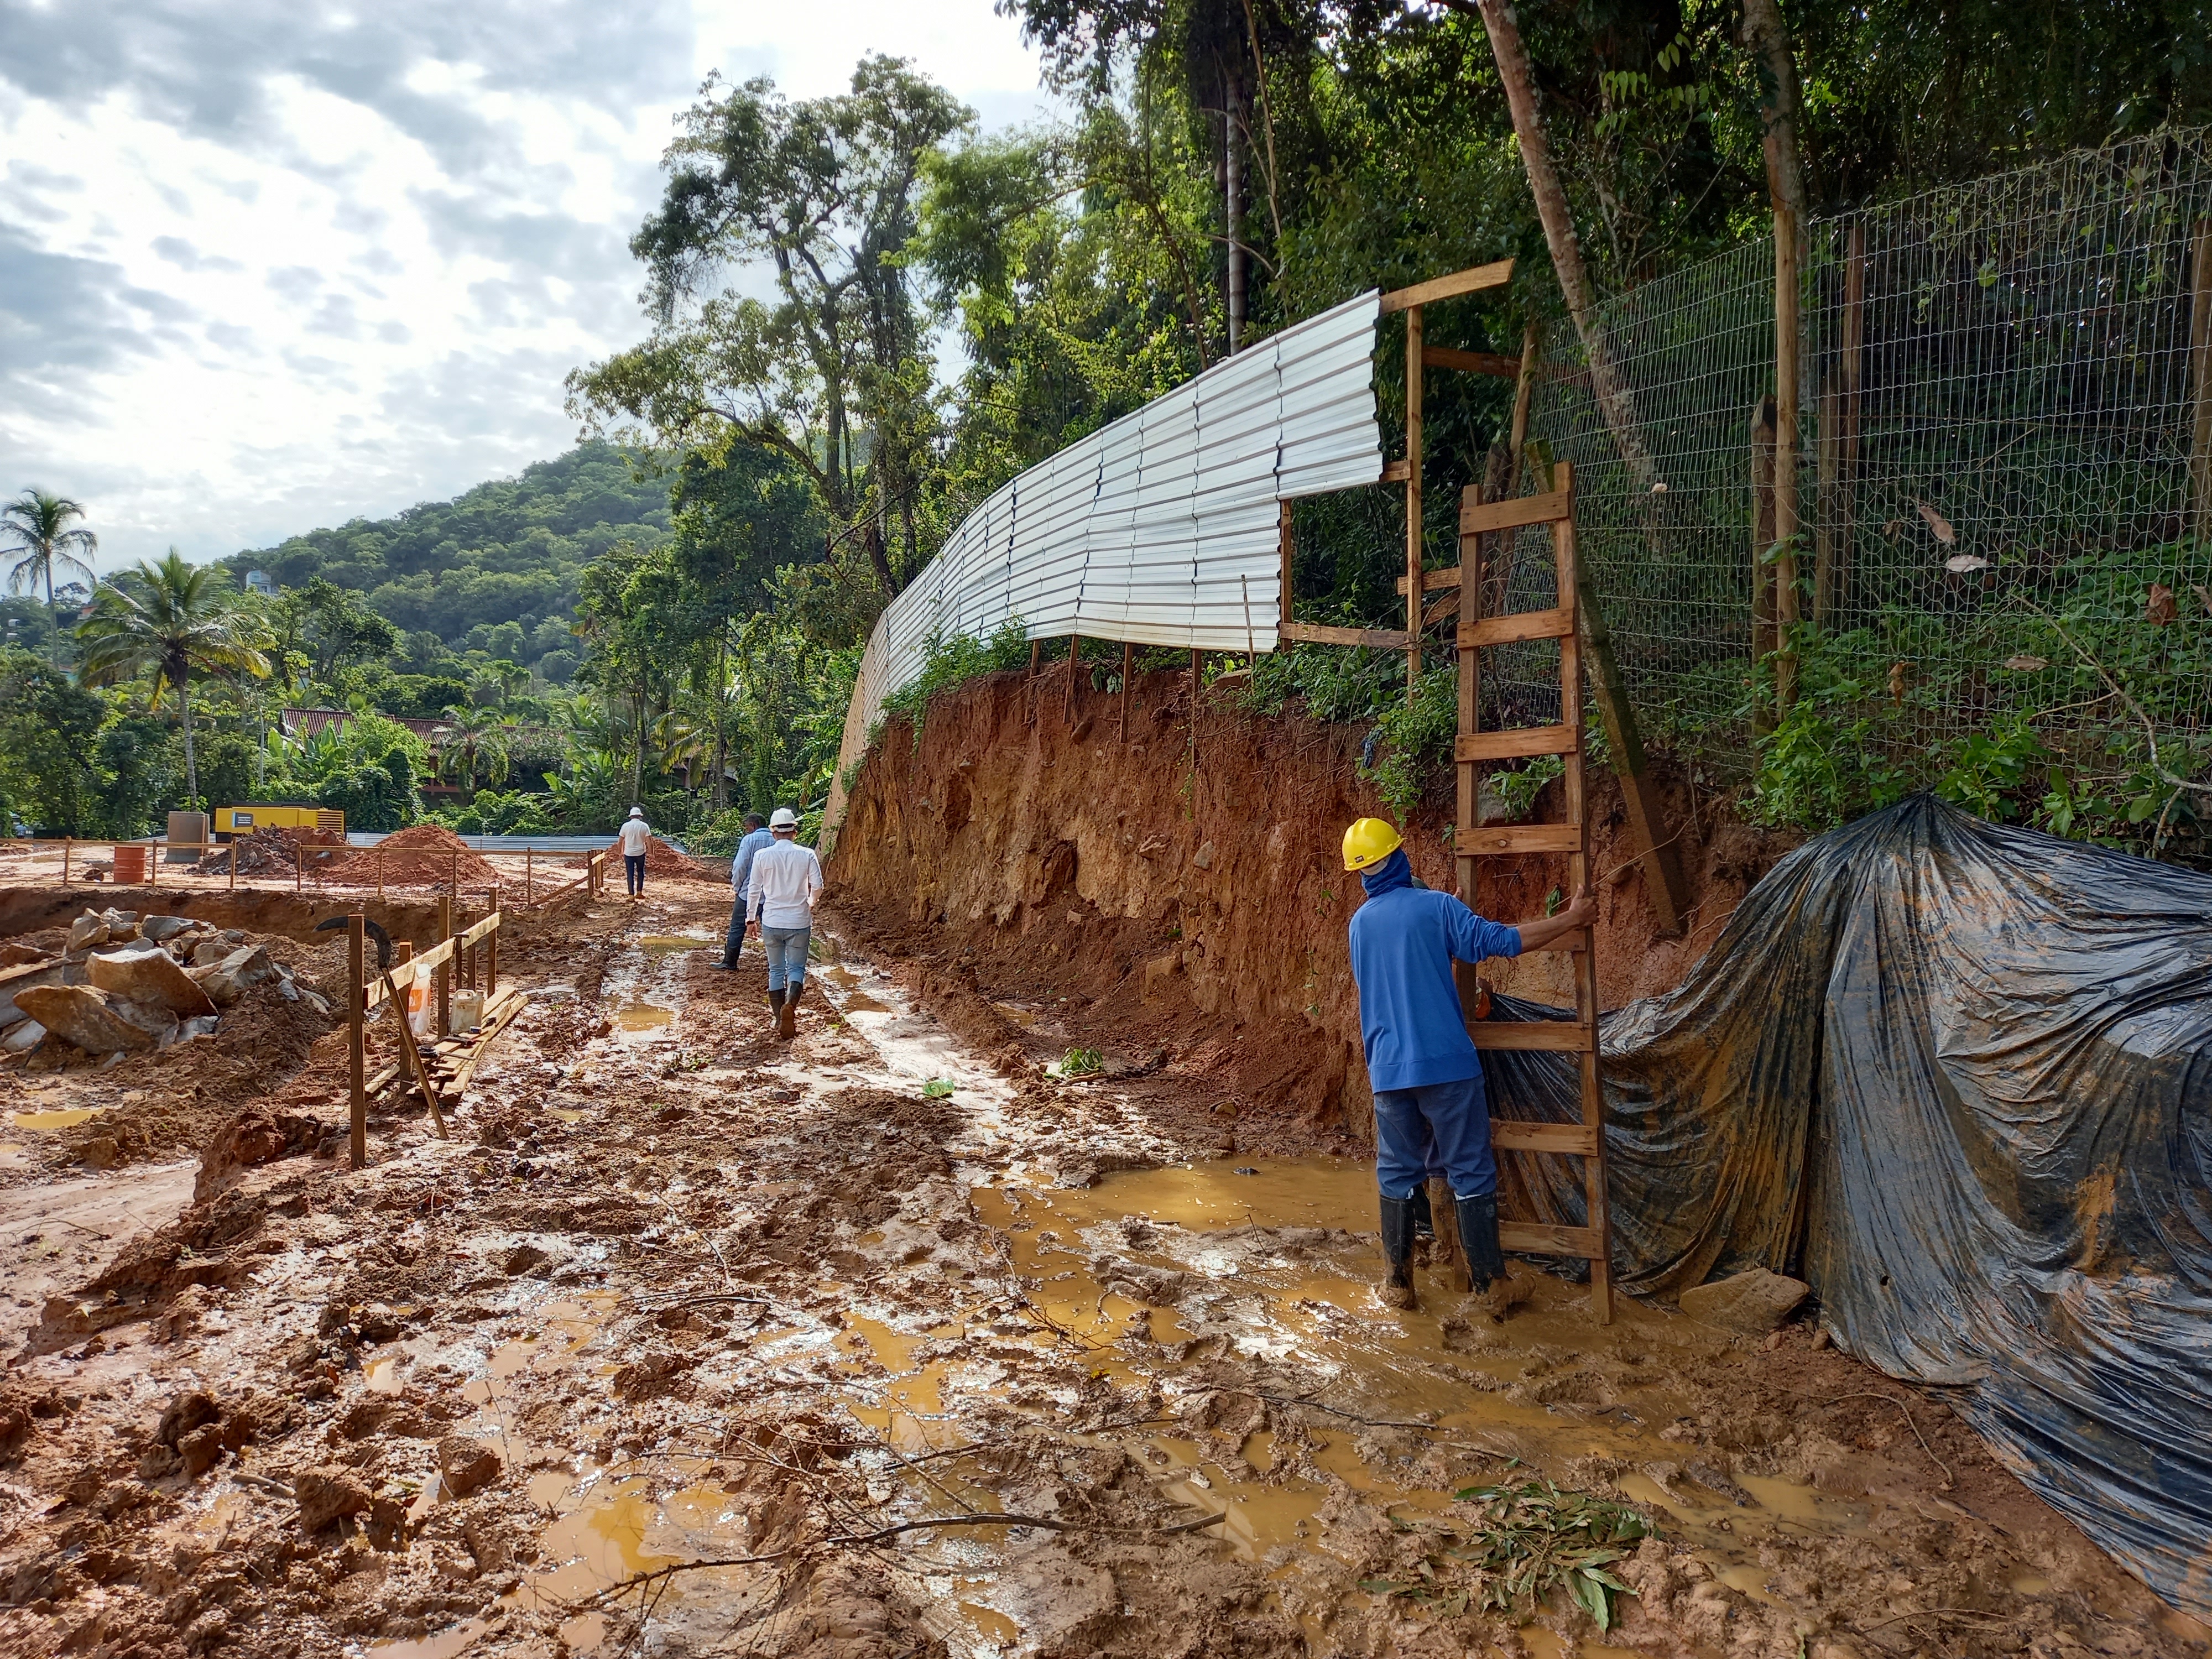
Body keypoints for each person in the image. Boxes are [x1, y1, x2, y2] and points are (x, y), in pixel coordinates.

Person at [1342, 816, 1595, 1311]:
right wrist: (1572, 918)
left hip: (1388, 1072)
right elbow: (1501, 942)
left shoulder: (1360, 925)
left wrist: (1447, 912)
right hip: (1447, 1068)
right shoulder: (1437, 909)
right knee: (1470, 1171)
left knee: (1397, 1174)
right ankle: (1489, 1286)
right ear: (1398, 857)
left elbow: (1399, 956)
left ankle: (1397, 1285)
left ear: (1362, 872)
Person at [745, 807, 823, 1040]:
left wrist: (751, 919)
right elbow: (818, 886)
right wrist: (811, 901)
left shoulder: (762, 856)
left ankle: (779, 1019)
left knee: (776, 970)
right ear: (795, 832)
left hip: (772, 921)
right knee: (796, 969)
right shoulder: (807, 854)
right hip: (799, 921)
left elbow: (754, 890)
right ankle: (790, 1005)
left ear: (773, 832)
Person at [715, 812, 772, 969]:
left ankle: (730, 962)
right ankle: (775, 965)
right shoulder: (777, 839)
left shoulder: (749, 840)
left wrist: (737, 887)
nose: (747, 830)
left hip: (748, 892)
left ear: (753, 825)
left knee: (737, 927)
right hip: (772, 894)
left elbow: (740, 866)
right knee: (771, 929)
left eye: (747, 827)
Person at [617, 806, 653, 899]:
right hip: (640, 853)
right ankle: (639, 892)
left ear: (631, 816)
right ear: (640, 816)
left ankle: (631, 895)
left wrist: (621, 852)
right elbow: (649, 841)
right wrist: (651, 852)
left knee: (630, 874)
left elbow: (620, 841)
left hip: (628, 853)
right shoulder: (644, 826)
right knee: (641, 872)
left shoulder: (625, 826)